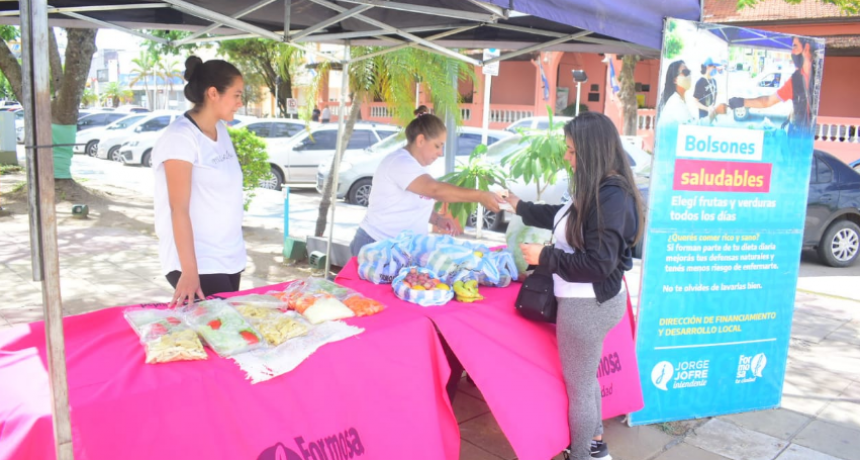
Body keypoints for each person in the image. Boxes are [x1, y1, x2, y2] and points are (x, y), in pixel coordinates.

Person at [499, 112, 643, 460]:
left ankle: (581, 453)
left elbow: (598, 264)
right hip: (588, 302)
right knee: (586, 379)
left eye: (572, 151)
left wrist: (544, 257)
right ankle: (595, 447)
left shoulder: (611, 197)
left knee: (579, 387)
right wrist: (517, 204)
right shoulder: (597, 188)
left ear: (592, 151)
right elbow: (560, 217)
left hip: (587, 304)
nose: (568, 158)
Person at [152, 56, 247, 307]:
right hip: (199, 262)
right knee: (220, 335)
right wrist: (189, 270)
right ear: (213, 93)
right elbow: (178, 209)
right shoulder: (180, 138)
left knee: (227, 335)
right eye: (236, 95)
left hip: (228, 257)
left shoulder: (221, 130)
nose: (240, 102)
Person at [350, 113, 504, 256]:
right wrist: (480, 196)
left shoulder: (420, 166)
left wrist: (438, 220)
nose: (441, 153)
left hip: (401, 249)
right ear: (421, 140)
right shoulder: (400, 163)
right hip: (377, 246)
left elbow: (410, 205)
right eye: (438, 145)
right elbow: (435, 190)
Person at [728, 36, 818, 133]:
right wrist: (741, 102)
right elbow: (767, 101)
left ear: (807, 48)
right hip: (802, 136)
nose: (792, 52)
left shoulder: (819, 73)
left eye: (795, 47)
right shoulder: (794, 80)